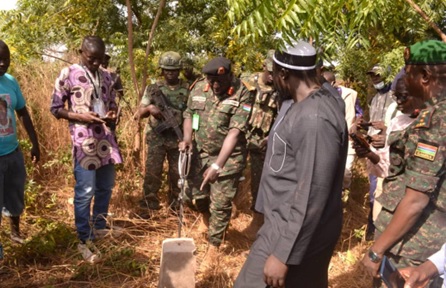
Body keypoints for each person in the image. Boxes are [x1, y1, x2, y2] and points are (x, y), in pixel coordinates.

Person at [235, 40, 348, 288]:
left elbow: (312, 192)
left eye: (273, 73)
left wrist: (283, 254)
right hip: (286, 224)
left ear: (283, 74)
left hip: (289, 229)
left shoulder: (314, 117)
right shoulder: (303, 103)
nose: (271, 79)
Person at [361, 40, 446, 288]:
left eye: (407, 73)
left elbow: (417, 199)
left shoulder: (435, 121)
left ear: (425, 76)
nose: (404, 79)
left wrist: (377, 251)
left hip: (411, 246)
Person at [50, 35, 122, 263]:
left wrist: (112, 115)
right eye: (91, 59)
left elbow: (112, 105)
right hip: (84, 143)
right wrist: (79, 115)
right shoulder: (68, 74)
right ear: (81, 52)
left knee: (106, 187)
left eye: (100, 59)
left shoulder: (107, 76)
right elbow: (55, 108)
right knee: (84, 192)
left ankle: (99, 226)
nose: (96, 63)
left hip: (106, 142)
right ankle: (84, 238)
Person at [178, 56, 255, 268]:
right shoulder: (200, 88)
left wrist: (217, 165)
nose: (214, 85)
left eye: (219, 81)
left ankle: (214, 247)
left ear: (230, 75)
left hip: (228, 158)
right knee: (197, 195)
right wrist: (187, 139)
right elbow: (189, 114)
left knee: (220, 204)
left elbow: (234, 133)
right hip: (200, 154)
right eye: (211, 80)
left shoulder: (243, 92)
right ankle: (205, 219)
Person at [135, 51, 189, 213]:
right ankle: (148, 206)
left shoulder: (187, 89)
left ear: (179, 70)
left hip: (177, 138)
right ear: (162, 70)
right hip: (156, 138)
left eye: (173, 70)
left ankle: (176, 207)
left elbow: (193, 114)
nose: (170, 73)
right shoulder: (153, 89)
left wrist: (187, 137)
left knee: (177, 175)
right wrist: (150, 108)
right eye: (167, 70)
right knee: (152, 173)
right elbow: (138, 114)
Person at [0, 40, 40, 252]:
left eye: (5, 59)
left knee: (15, 194)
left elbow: (22, 112)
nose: (1, 63)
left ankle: (15, 231)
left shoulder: (10, 82)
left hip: (12, 152)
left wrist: (35, 143)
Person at [242, 50, 278, 239]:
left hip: (262, 143)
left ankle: (257, 220)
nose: (273, 76)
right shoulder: (248, 81)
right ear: (264, 67)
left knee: (259, 181)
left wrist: (271, 138)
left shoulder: (281, 89)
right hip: (240, 136)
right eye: (270, 72)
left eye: (277, 72)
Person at [362, 64, 395, 240]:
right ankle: (372, 223)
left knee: (381, 187)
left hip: (387, 148)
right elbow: (372, 122)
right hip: (372, 147)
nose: (375, 78)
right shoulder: (375, 98)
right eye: (372, 75)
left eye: (378, 75)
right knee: (373, 185)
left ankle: (376, 227)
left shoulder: (395, 98)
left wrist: (386, 130)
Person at [322, 71, 358, 193]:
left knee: (346, 172)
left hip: (348, 139)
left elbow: (359, 113)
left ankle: (344, 192)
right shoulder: (320, 96)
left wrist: (356, 124)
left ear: (333, 83)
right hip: (328, 140)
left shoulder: (350, 95)